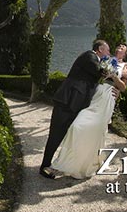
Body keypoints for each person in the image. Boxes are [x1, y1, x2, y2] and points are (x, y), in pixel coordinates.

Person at [50, 43, 127, 179]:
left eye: (122, 48)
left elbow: (122, 87)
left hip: (108, 96)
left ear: (126, 54)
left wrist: (115, 77)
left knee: (96, 131)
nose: (119, 48)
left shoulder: (126, 67)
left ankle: (88, 164)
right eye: (118, 46)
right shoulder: (105, 59)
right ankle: (69, 162)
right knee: (77, 125)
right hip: (95, 94)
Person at [39, 39, 111, 179]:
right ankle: (44, 167)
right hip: (67, 102)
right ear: (100, 49)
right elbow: (99, 72)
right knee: (56, 134)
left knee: (71, 134)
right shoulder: (89, 56)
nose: (108, 53)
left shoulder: (93, 58)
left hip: (74, 104)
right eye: (107, 50)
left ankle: (66, 164)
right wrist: (112, 69)